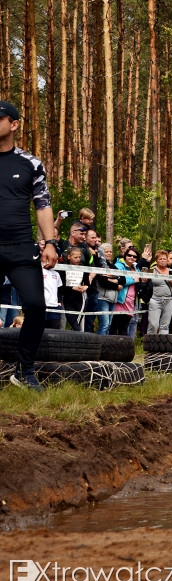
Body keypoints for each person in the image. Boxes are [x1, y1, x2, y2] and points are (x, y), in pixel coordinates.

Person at [0, 101, 58, 389]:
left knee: (35, 305)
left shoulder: (31, 163)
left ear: (13, 124)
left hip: (21, 246)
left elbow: (43, 204)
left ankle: (25, 371)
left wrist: (50, 242)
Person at [111, 247, 144, 337]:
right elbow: (120, 280)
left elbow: (139, 282)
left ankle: (122, 350)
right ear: (125, 256)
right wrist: (134, 279)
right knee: (114, 328)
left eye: (134, 256)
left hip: (131, 302)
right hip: (119, 301)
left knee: (124, 329)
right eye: (129, 255)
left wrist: (142, 281)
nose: (131, 258)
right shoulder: (118, 265)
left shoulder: (136, 268)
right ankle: (111, 349)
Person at [148, 250, 172, 335]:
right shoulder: (151, 270)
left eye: (164, 259)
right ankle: (150, 345)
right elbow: (143, 281)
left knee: (165, 326)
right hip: (155, 300)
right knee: (153, 325)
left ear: (167, 260)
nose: (162, 260)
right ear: (156, 260)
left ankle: (162, 347)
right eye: (160, 259)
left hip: (168, 301)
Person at [59, 247, 89, 331]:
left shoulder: (83, 268)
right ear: (69, 257)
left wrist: (85, 287)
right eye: (75, 257)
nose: (78, 259)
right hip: (67, 298)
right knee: (72, 322)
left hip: (80, 298)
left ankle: (78, 341)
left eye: (79, 257)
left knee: (77, 324)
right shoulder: (63, 269)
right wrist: (72, 287)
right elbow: (62, 285)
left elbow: (87, 283)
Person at [41, 261, 63, 330]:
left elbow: (59, 289)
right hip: (42, 305)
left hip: (55, 306)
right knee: (41, 330)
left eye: (56, 261)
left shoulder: (56, 274)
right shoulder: (39, 271)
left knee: (55, 330)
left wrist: (59, 302)